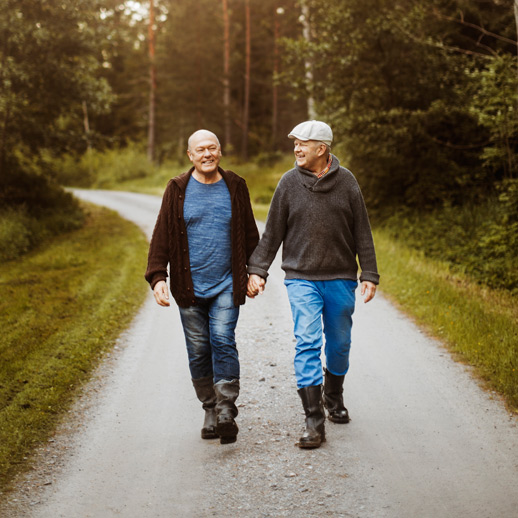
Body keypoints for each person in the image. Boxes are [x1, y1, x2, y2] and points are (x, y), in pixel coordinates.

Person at [247, 120, 379, 449]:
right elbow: (272, 232)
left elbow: (362, 229)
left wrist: (370, 274)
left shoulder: (347, 182)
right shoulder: (288, 183)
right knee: (306, 341)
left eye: (302, 143)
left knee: (339, 345)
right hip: (301, 277)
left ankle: (333, 395)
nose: (296, 148)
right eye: (295, 143)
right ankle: (313, 420)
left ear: (321, 149)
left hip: (340, 277)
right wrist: (257, 269)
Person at [145, 129, 259, 444]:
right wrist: (158, 277)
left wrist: (255, 272)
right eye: (200, 150)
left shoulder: (235, 186)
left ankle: (225, 409)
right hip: (189, 286)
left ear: (220, 152)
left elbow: (250, 234)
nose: (207, 154)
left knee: (222, 339)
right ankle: (209, 408)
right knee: (198, 349)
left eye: (212, 148)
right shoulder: (177, 189)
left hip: (227, 282)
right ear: (190, 155)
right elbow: (162, 236)